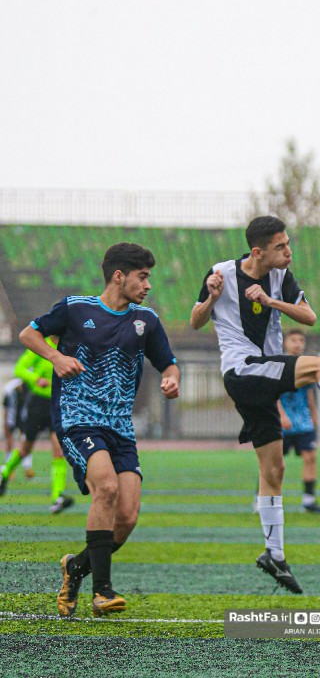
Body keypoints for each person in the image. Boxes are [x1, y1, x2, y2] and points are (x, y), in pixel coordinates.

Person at [190, 215, 320, 595]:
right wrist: (212, 297)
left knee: (274, 468)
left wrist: (270, 301)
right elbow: (195, 322)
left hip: (262, 373)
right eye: (281, 246)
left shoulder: (281, 277)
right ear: (258, 251)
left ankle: (275, 554)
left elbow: (310, 317)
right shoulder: (221, 273)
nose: (288, 251)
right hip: (242, 368)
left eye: (288, 243)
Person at [16, 242, 180, 618]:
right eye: (143, 277)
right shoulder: (75, 308)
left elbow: (169, 363)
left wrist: (172, 379)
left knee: (127, 517)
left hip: (120, 426)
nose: (148, 285)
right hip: (77, 419)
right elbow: (28, 334)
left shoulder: (146, 320)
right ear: (119, 276)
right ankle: (102, 591)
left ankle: (75, 568)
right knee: (105, 487)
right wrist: (56, 357)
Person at [252, 328, 320, 514]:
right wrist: (282, 415)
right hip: (280, 423)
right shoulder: (278, 364)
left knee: (310, 457)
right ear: (285, 343)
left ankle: (308, 500)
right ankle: (260, 499)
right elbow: (272, 394)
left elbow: (309, 393)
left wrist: (314, 414)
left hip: (303, 422)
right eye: (293, 340)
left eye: (301, 340)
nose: (298, 344)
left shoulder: (307, 364)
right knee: (273, 464)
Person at [0, 340, 75, 513]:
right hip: (38, 405)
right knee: (25, 449)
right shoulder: (41, 344)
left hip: (58, 404)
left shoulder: (69, 343)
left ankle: (57, 497)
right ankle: (4, 474)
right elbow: (19, 368)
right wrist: (36, 379)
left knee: (59, 451)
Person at [2, 378, 35, 479]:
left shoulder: (30, 389)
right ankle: (9, 468)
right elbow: (6, 408)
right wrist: (5, 423)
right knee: (9, 442)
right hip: (11, 418)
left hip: (23, 419)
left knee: (25, 442)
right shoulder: (9, 390)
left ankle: (28, 467)